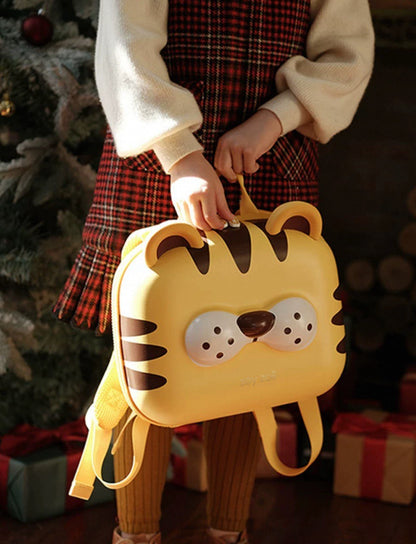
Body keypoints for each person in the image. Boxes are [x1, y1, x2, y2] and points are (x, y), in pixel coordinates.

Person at [53, 1, 374, 543]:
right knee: (147, 366)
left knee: (253, 364)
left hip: (272, 160)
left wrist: (275, 118)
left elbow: (347, 55)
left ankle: (230, 533)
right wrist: (180, 154)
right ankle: (136, 536)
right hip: (159, 165)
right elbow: (126, 45)